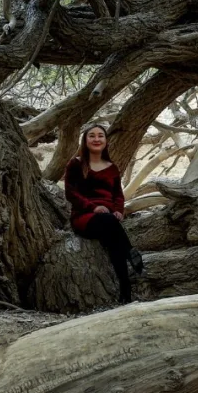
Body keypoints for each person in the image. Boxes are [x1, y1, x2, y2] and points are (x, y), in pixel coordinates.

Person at [63, 124, 144, 304]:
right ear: (85, 140)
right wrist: (93, 207)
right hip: (85, 217)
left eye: (100, 136)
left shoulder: (112, 167)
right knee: (110, 227)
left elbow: (118, 195)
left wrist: (118, 211)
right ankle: (131, 252)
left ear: (106, 141)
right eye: (92, 136)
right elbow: (70, 193)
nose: (96, 139)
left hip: (109, 220)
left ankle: (126, 294)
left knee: (115, 244)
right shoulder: (75, 163)